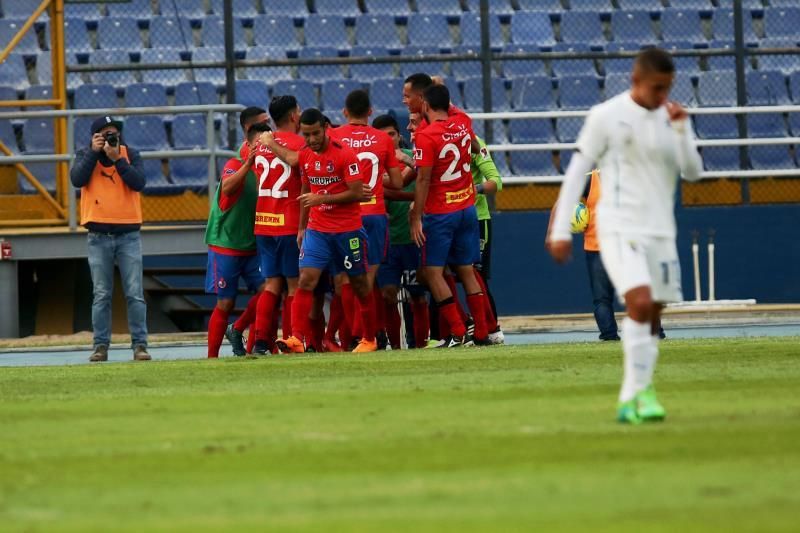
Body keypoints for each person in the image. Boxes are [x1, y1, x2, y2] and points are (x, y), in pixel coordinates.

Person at [547, 48, 702, 424]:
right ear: (636, 80)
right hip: (617, 227)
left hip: (660, 230)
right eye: (656, 88)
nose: (662, 95)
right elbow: (577, 172)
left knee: (653, 311)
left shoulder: (670, 118)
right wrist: (560, 229)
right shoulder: (606, 116)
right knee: (640, 301)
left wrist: (683, 131)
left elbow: (693, 172)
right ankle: (643, 393)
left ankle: (632, 395)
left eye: (667, 88)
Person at [270, 108, 377, 354]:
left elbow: (357, 192)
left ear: (325, 129)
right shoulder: (305, 155)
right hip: (317, 229)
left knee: (360, 284)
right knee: (306, 279)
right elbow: (306, 191)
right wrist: (302, 227)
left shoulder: (345, 154)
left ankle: (369, 339)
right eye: (306, 134)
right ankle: (297, 338)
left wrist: (322, 198)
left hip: (347, 230)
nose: (311, 139)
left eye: (315, 133)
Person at [410, 84, 490, 347]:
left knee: (432, 272)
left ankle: (457, 331)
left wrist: (416, 216)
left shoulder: (426, 136)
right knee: (466, 270)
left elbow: (423, 179)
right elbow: (477, 148)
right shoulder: (463, 123)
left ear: (425, 105)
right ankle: (481, 333)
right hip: (467, 208)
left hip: (440, 213)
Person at [69, 116, 150, 362]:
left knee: (135, 293)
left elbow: (139, 183)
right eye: (105, 134)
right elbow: (77, 180)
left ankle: (140, 345)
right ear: (95, 137)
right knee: (101, 294)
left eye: (114, 133)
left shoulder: (130, 154)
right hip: (98, 235)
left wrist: (118, 160)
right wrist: (93, 153)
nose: (110, 138)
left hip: (128, 235)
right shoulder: (85, 155)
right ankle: (100, 346)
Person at [328, 89, 403, 348]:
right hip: (374, 216)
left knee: (344, 280)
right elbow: (397, 182)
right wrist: (378, 179)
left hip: (345, 216)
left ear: (344, 112)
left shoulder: (333, 136)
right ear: (370, 112)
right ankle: (365, 336)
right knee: (368, 279)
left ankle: (353, 335)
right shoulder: (382, 139)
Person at [247, 96, 306, 355]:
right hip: (289, 223)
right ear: (293, 116)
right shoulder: (300, 143)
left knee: (271, 283)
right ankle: (292, 339)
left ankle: (261, 341)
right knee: (293, 284)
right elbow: (298, 164)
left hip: (264, 221)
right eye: (299, 111)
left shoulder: (260, 144)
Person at [205, 123, 268, 358]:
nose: (264, 148)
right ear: (249, 144)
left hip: (252, 246)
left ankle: (241, 333)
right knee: (225, 303)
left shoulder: (267, 168)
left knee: (269, 291)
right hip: (227, 245)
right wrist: (248, 164)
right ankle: (211, 358)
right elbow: (228, 189)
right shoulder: (234, 164)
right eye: (259, 144)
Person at [373, 113, 430, 349]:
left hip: (412, 238)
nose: (389, 140)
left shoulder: (411, 158)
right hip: (386, 241)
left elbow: (425, 183)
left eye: (392, 134)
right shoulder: (371, 163)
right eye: (383, 136)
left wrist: (416, 201)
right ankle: (395, 349)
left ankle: (421, 346)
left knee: (418, 295)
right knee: (388, 295)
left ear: (399, 135)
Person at [470, 135, 504, 344]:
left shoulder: (474, 142)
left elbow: (496, 181)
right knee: (440, 274)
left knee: (477, 276)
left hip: (477, 218)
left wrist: (475, 189)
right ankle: (447, 332)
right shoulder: (429, 138)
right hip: (445, 218)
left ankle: (492, 329)